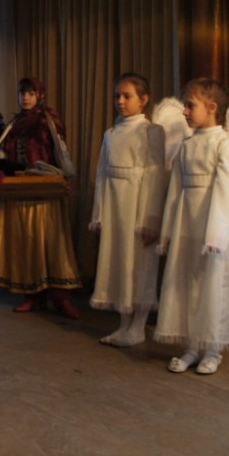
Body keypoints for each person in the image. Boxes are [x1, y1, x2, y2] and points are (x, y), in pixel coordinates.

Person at [154, 77, 229, 375]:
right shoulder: (187, 145)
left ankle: (213, 348)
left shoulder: (225, 144)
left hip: (211, 227)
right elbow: (175, 191)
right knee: (187, 284)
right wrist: (168, 232)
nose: (185, 112)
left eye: (190, 105)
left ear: (212, 107)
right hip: (187, 223)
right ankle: (193, 345)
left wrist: (217, 235)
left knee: (213, 286)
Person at [89, 72, 168, 346]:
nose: (120, 101)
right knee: (119, 263)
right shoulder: (111, 134)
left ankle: (138, 326)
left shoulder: (151, 132)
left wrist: (151, 219)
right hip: (115, 206)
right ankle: (124, 324)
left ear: (143, 100)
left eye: (127, 96)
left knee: (140, 265)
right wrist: (99, 213)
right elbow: (102, 173)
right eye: (117, 96)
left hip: (137, 206)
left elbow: (156, 177)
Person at [0, 77, 82, 319]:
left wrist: (65, 176)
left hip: (45, 190)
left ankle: (60, 296)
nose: (26, 98)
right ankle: (32, 296)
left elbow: (59, 148)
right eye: (22, 93)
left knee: (51, 242)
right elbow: (4, 153)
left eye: (31, 93)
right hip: (20, 190)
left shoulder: (48, 119)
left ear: (40, 95)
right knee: (27, 243)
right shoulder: (14, 124)